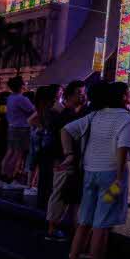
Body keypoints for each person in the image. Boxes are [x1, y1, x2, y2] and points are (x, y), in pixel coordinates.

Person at [61, 82, 130, 259]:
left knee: (84, 223)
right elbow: (122, 149)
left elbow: (66, 130)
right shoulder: (127, 118)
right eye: (127, 92)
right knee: (102, 226)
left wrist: (69, 154)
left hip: (90, 174)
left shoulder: (95, 115)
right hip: (111, 177)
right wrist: (120, 179)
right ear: (121, 96)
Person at [45, 80, 85, 241]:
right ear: (68, 96)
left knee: (72, 197)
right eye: (79, 93)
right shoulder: (64, 116)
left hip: (72, 162)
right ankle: (52, 228)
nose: (82, 96)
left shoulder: (74, 114)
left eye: (84, 93)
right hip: (63, 161)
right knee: (60, 194)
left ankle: (72, 230)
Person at [0, 76, 35, 189]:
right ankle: (10, 180)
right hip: (21, 129)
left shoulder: (10, 97)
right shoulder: (21, 99)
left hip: (12, 127)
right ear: (21, 86)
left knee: (9, 153)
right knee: (17, 154)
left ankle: (3, 178)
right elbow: (33, 110)